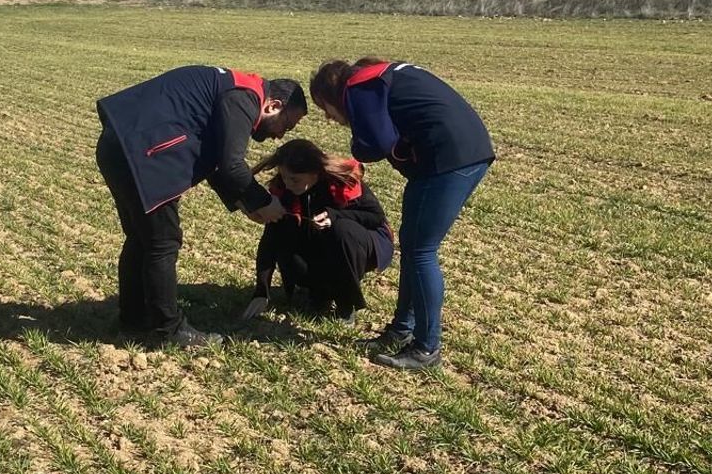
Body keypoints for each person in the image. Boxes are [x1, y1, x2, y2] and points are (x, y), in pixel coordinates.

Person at [96, 65, 306, 347]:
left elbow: (215, 161)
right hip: (143, 152)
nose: (280, 136)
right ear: (274, 105)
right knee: (162, 243)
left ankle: (133, 321)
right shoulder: (244, 97)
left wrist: (246, 204)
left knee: (141, 239)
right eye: (287, 125)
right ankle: (169, 331)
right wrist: (264, 201)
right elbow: (231, 165)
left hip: (119, 145)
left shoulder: (233, 89)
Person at [309, 58, 493, 369]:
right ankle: (401, 331)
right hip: (464, 150)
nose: (328, 117)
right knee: (413, 248)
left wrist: (359, 144)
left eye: (324, 108)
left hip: (449, 158)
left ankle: (426, 349)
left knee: (421, 251)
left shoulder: (359, 87)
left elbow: (374, 145)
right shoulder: (381, 74)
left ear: (331, 94)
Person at [241, 139, 393, 325]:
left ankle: (346, 304)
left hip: (362, 243)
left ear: (314, 173)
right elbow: (270, 240)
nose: (288, 184)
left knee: (342, 230)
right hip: (317, 245)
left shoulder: (342, 181)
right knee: (286, 228)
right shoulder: (284, 191)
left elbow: (376, 217)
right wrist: (261, 291)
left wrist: (335, 215)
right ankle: (319, 292)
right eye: (284, 177)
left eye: (295, 179)